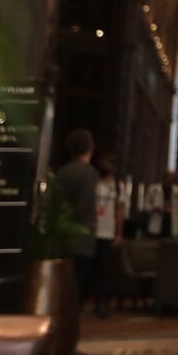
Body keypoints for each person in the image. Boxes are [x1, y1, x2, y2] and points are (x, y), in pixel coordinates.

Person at [55, 129, 98, 308]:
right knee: (78, 286)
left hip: (62, 234)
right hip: (82, 236)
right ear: (90, 147)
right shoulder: (89, 173)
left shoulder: (62, 172)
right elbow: (86, 204)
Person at [92, 154, 124, 317]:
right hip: (93, 231)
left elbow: (120, 210)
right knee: (93, 268)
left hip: (108, 231)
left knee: (105, 270)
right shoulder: (94, 184)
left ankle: (102, 302)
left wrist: (119, 233)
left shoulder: (117, 186)